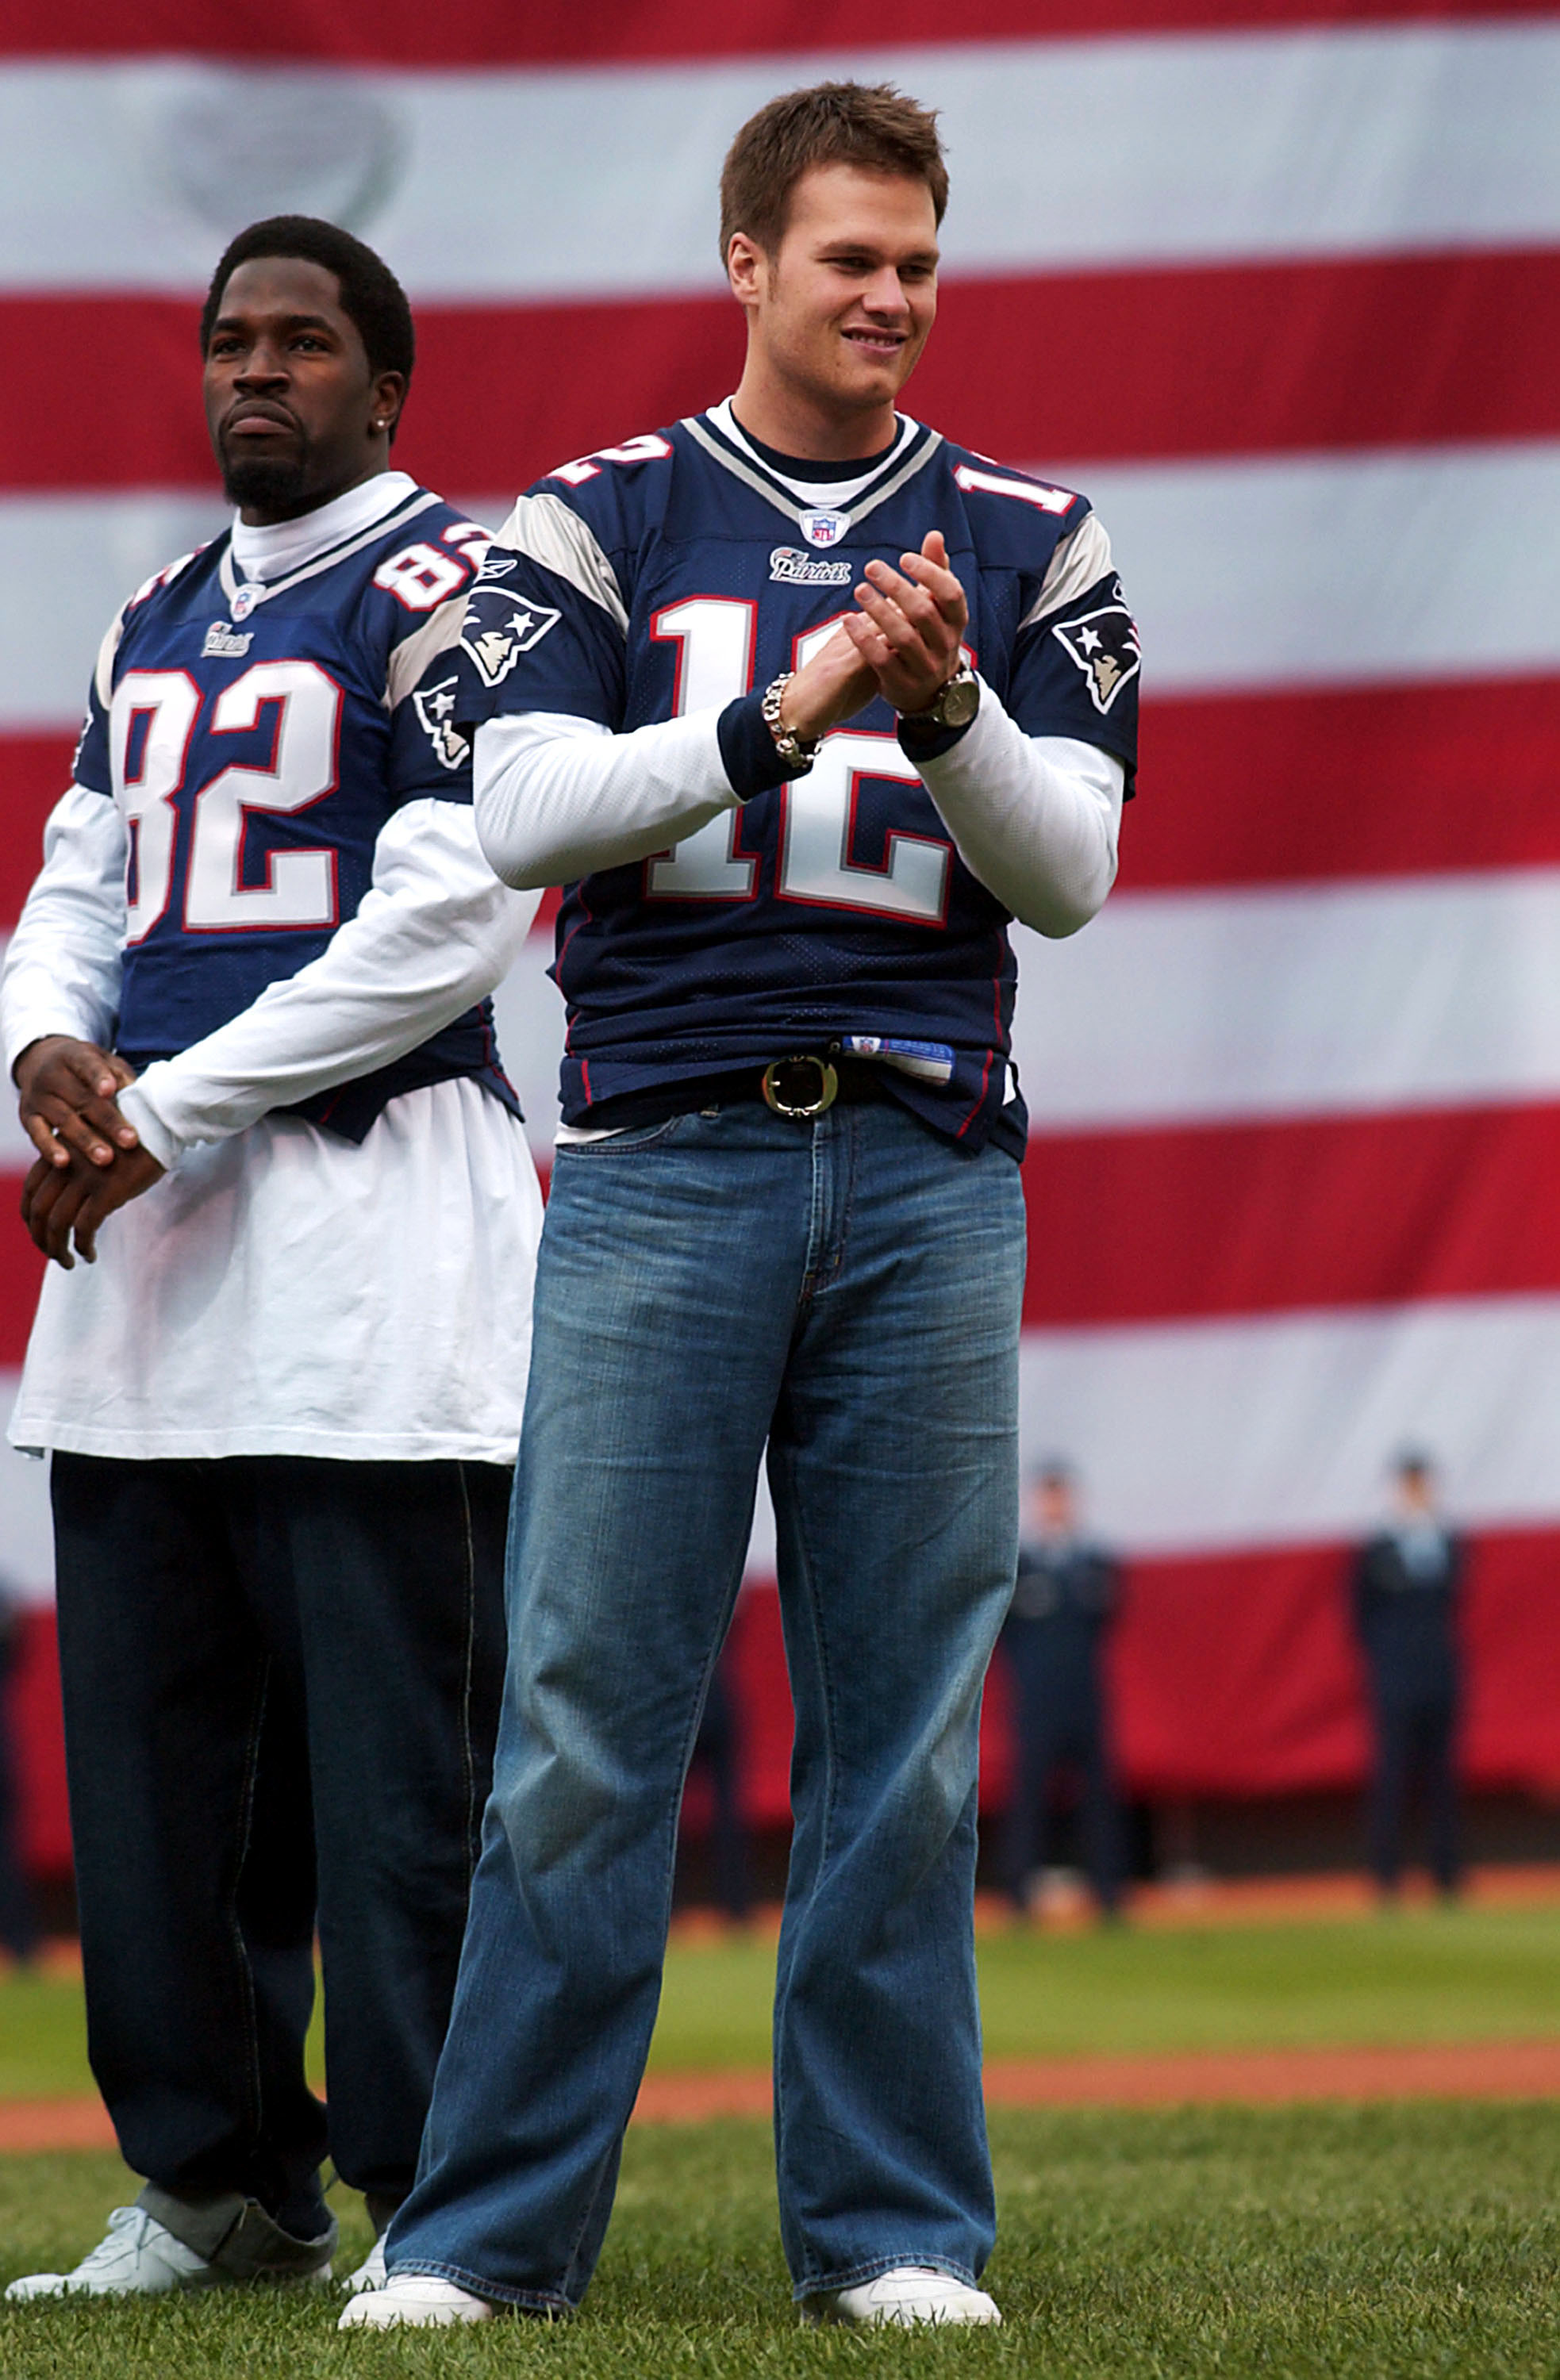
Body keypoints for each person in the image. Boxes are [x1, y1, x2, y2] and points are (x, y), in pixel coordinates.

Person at [345, 81, 1139, 2333]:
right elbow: (515, 806)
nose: (885, 297)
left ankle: (890, 2225)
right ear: (743, 266)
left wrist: (948, 703)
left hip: (920, 1156)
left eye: (913, 262)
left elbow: (1065, 876)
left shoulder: (1024, 530)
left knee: (898, 1729)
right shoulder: (593, 521)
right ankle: (487, 2237)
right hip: (661, 1154)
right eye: (844, 258)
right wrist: (779, 720)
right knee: (591, 1712)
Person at [1, 217, 543, 2299]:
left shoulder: (458, 591)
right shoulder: (148, 615)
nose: (257, 371)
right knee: (155, 1778)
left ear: (384, 385)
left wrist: (162, 1106)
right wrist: (50, 1044)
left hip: (372, 1243)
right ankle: (218, 2184)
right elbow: (80, 880)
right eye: (231, 339)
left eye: (303, 343)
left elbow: (444, 921)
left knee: (396, 1785)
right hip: (153, 1277)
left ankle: (444, 2201)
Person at [998, 1464, 1124, 1919]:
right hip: (1035, 1700)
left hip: (1085, 1696)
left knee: (1099, 1798)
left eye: (1061, 1496)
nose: (1055, 1506)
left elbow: (1109, 1618)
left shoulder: (1095, 1560)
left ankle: (1109, 1891)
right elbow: (1005, 1633)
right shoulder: (1018, 1564)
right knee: (1029, 1797)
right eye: (1048, 1497)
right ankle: (1019, 1894)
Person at [1351, 1451, 1464, 1901]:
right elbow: (1359, 1615)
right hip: (1394, 1677)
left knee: (1442, 1778)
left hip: (1439, 1674)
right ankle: (1386, 1875)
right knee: (1392, 1774)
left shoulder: (1448, 1542)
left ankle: (1447, 1873)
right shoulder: (1377, 1549)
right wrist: (1385, 1662)